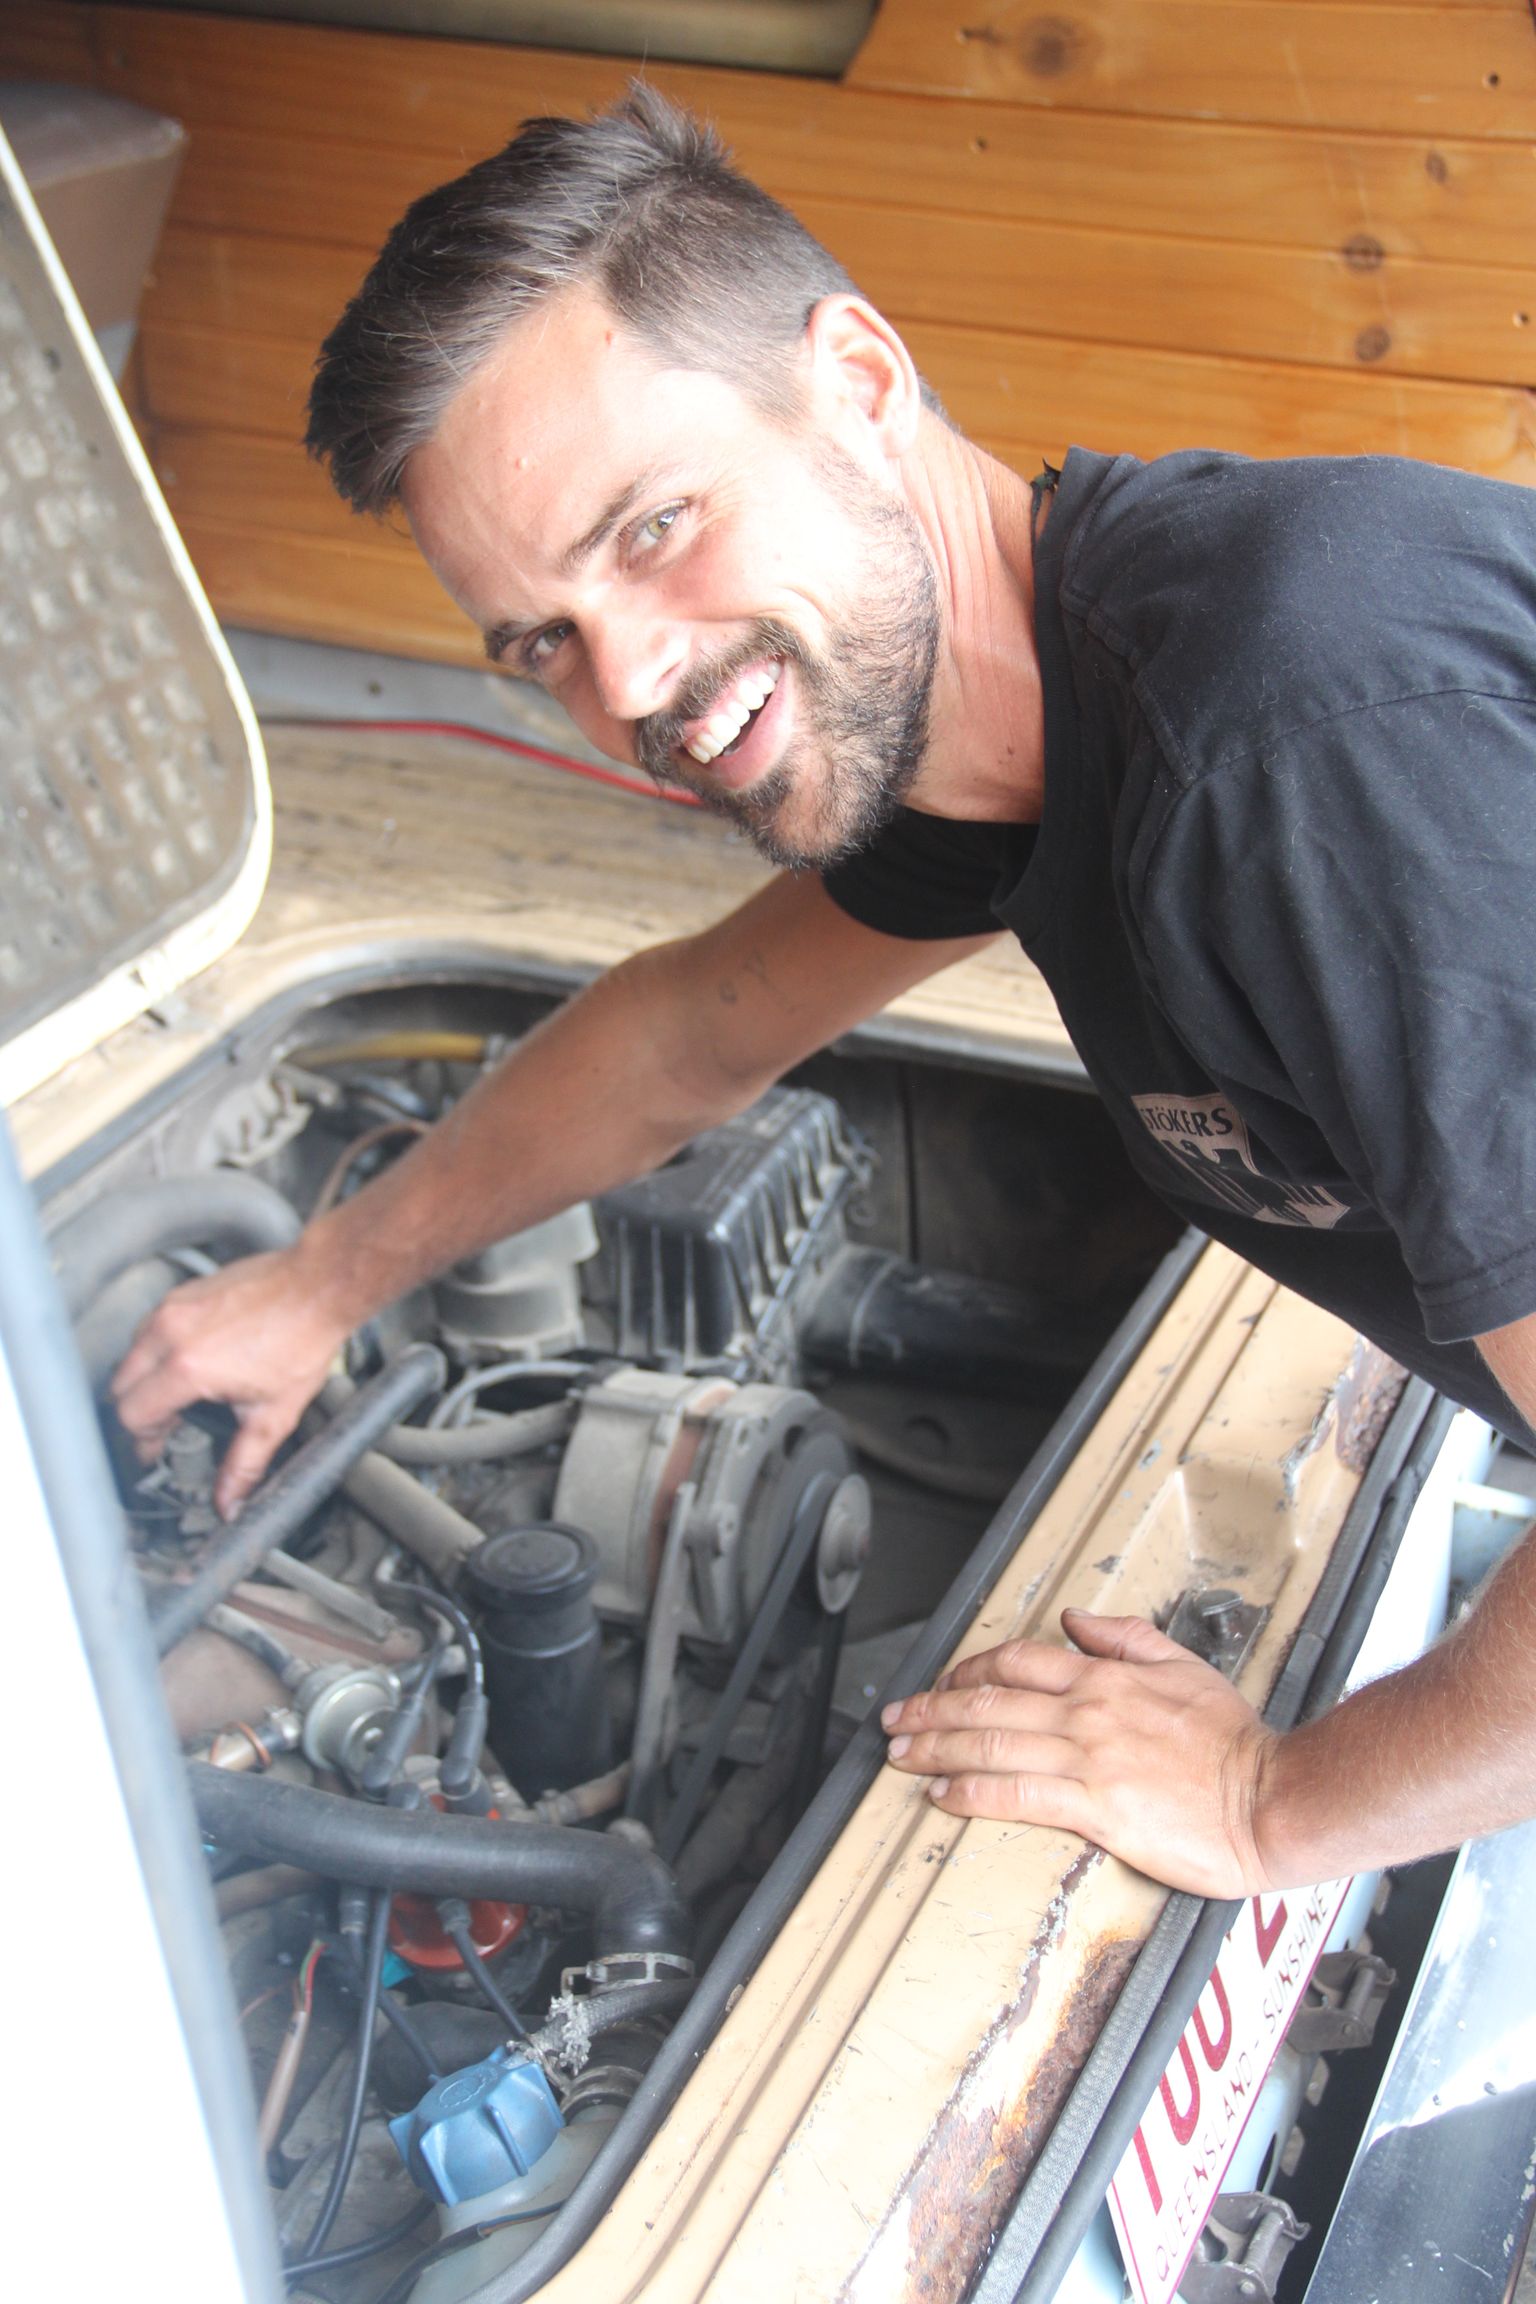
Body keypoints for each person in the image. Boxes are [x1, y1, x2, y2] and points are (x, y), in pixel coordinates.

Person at [112, 86, 1536, 1903]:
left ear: (859, 377)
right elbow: (692, 1032)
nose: (627, 677)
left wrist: (1272, 1804)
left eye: (652, 526)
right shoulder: (1001, 743)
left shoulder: (1282, 750)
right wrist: (323, 1281)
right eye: (541, 636)